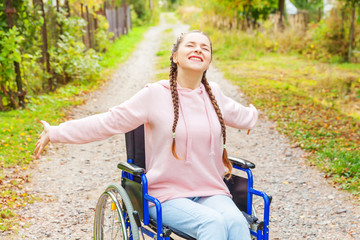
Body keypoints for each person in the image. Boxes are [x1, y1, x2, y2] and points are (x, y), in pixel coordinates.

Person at [34, 30, 258, 240]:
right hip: (167, 195)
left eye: (204, 48)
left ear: (208, 61)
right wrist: (56, 132)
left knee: (237, 223)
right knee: (212, 224)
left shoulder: (214, 94)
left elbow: (242, 115)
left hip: (210, 190)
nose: (198, 50)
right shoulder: (154, 95)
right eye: (190, 45)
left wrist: (251, 116)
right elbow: (107, 122)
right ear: (175, 57)